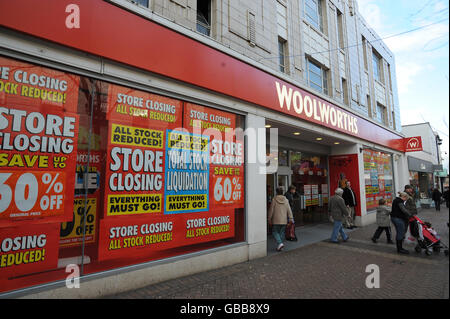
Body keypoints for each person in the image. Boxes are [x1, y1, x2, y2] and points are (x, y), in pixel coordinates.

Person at [268, 187, 294, 251]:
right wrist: (291, 219)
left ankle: (280, 243)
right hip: (284, 220)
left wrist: (269, 219)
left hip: (276, 220)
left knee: (274, 232)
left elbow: (271, 210)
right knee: (282, 232)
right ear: (282, 192)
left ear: (276, 192)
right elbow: (289, 210)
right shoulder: (286, 200)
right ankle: (280, 245)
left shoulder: (274, 200)